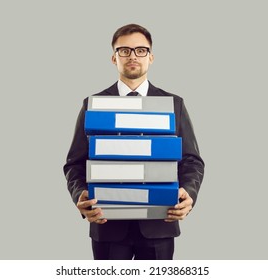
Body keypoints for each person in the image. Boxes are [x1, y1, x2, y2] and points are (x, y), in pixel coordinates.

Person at [63, 23, 205, 260]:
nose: (132, 56)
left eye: (140, 50)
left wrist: (188, 193)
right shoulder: (93, 104)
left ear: (151, 57)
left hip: (161, 222)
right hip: (107, 225)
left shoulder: (173, 104)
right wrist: (80, 195)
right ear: (113, 58)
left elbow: (192, 160)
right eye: (124, 50)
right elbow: (75, 163)